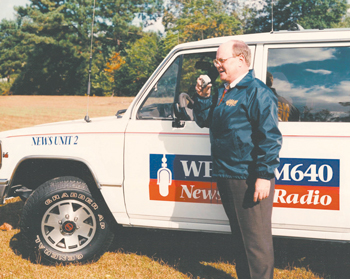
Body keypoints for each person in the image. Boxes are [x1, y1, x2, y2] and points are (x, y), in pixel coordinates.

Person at [193, 40, 282, 279]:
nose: (218, 65)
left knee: (256, 244)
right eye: (216, 61)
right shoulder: (225, 91)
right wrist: (203, 97)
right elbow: (206, 121)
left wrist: (264, 176)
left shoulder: (257, 92)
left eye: (222, 60)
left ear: (241, 60)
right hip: (227, 175)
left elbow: (270, 138)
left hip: (248, 177)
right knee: (241, 239)